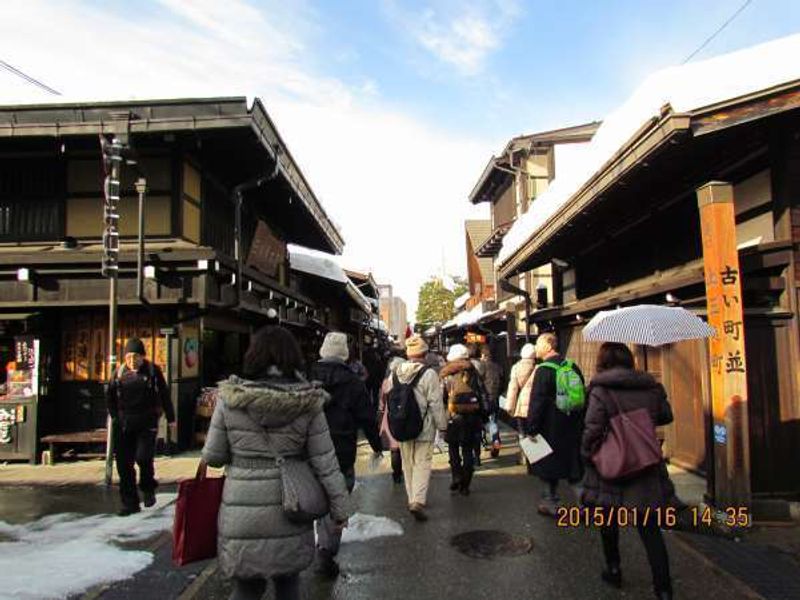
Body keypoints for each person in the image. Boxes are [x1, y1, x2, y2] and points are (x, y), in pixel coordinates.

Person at [201, 326, 352, 600]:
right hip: (291, 505)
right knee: (288, 584)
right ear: (291, 357)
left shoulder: (230, 399)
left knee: (246, 588)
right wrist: (340, 509)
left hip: (241, 508)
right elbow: (325, 462)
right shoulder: (308, 402)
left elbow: (213, 456)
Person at [581, 342, 674, 600]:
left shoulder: (600, 390)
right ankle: (664, 589)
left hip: (611, 463)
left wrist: (588, 455)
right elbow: (665, 415)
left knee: (608, 522)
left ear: (603, 362)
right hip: (644, 462)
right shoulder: (650, 386)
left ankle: (614, 568)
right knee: (650, 529)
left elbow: (592, 429)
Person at [310, 332, 383, 578]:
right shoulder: (353, 382)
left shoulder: (306, 377)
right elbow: (366, 416)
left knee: (310, 494)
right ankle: (326, 552)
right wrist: (376, 445)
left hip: (309, 450)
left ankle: (314, 545)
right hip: (341, 450)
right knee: (337, 499)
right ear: (344, 353)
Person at [107, 337, 175, 516]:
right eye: (128, 357)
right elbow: (110, 398)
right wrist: (115, 417)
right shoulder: (118, 373)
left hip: (147, 422)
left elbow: (165, 394)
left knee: (144, 458)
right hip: (124, 424)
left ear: (143, 356)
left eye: (136, 356)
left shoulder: (153, 371)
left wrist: (171, 418)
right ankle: (129, 503)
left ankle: (147, 487)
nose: (132, 361)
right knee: (124, 465)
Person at [525, 332, 585, 515]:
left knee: (548, 467)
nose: (536, 347)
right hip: (572, 424)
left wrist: (532, 427)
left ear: (549, 346)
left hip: (550, 426)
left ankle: (551, 502)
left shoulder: (543, 370)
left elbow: (537, 401)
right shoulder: (572, 366)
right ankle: (585, 504)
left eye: (538, 344)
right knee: (574, 468)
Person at [390, 335, 447, 521]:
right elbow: (436, 403)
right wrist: (442, 426)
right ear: (424, 353)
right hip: (425, 426)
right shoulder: (429, 374)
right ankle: (418, 500)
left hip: (402, 425)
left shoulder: (396, 372)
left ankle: (411, 498)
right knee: (422, 463)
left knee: (408, 465)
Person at [440, 344, 485, 496]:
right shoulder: (473, 371)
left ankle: (456, 476)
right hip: (472, 416)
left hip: (453, 416)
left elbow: (441, 397)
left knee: (453, 448)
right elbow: (482, 393)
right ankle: (465, 484)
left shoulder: (446, 373)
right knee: (468, 449)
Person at [505, 343, 537, 466]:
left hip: (522, 404)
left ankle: (524, 457)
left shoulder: (516, 367)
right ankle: (534, 457)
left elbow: (513, 388)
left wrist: (509, 406)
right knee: (534, 432)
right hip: (535, 404)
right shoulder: (538, 367)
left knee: (522, 432)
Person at [379, 354, 406, 484]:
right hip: (407, 415)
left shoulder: (387, 382)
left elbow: (382, 402)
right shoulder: (409, 380)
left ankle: (396, 474)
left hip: (390, 417)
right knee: (407, 445)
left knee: (394, 448)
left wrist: (381, 412)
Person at [479, 346, 503, 457]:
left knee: (484, 422)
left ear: (483, 356)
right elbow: (503, 382)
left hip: (484, 399)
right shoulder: (498, 367)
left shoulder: (481, 367)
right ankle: (496, 440)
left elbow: (479, 383)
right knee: (493, 421)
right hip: (495, 398)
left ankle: (485, 441)